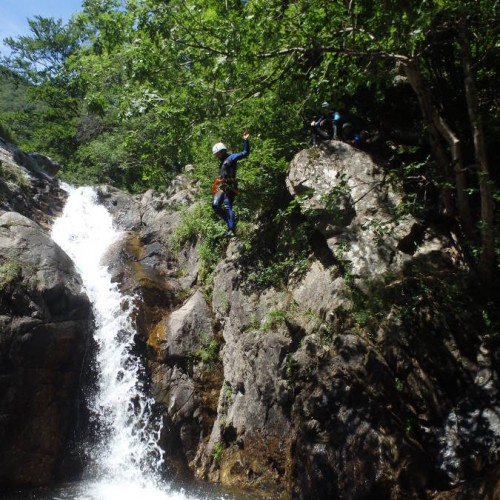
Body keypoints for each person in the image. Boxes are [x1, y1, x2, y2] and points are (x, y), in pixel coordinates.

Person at [211, 131, 250, 237]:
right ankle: (229, 222)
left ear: (223, 151)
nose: (217, 156)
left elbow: (245, 153)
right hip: (222, 187)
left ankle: (231, 229)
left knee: (228, 206)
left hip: (230, 187)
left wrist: (246, 140)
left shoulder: (231, 158)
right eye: (216, 155)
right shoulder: (222, 162)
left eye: (217, 154)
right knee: (215, 205)